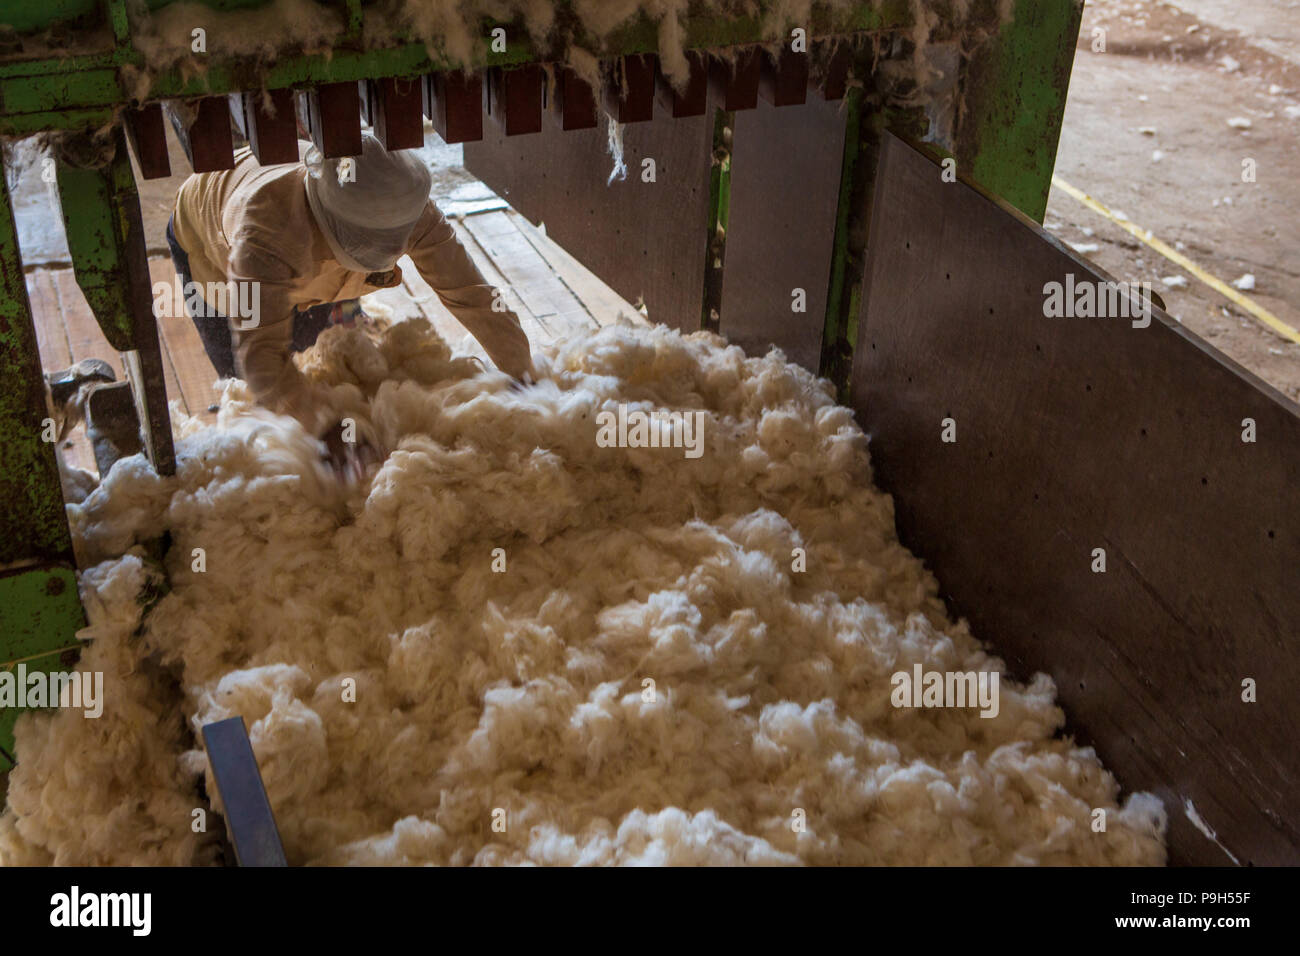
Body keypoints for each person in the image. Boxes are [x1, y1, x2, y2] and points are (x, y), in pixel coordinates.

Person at [166, 132, 533, 467]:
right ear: (329, 223)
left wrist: (521, 370)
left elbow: (473, 294)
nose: (394, 250)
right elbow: (259, 353)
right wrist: (324, 428)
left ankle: (334, 311)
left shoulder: (404, 205)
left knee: (321, 368)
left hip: (308, 255)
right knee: (247, 394)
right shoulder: (263, 236)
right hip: (207, 242)